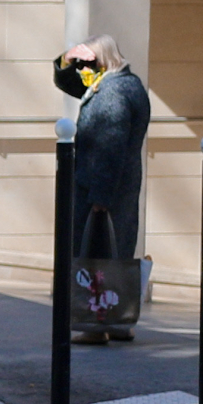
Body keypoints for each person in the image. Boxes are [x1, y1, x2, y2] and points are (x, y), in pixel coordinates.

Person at [55, 34, 151, 344]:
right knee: (117, 256)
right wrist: (66, 59)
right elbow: (71, 84)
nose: (82, 69)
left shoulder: (112, 92)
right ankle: (120, 323)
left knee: (95, 259)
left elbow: (110, 147)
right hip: (118, 187)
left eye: (86, 62)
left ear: (102, 60)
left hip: (102, 189)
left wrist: (100, 197)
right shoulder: (124, 82)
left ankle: (96, 328)